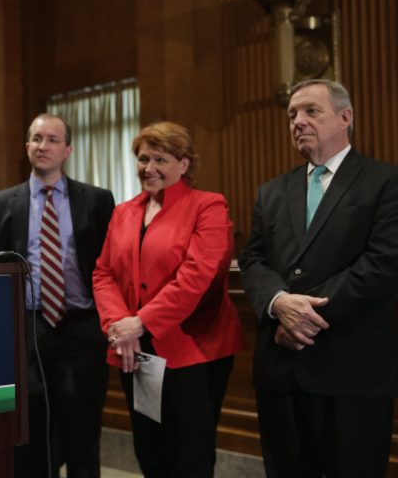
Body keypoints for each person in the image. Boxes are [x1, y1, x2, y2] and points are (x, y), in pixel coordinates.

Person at [239, 79, 398, 477]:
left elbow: (382, 262)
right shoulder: (272, 191)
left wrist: (304, 315)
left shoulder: (384, 182)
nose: (298, 121)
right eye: (292, 114)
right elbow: (253, 259)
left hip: (350, 369)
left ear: (345, 117)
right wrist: (279, 304)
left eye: (312, 111)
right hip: (282, 369)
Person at [93, 121, 245, 477]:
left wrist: (140, 322)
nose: (149, 168)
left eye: (160, 159)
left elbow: (197, 278)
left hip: (193, 351)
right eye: (143, 159)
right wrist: (119, 327)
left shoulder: (208, 206)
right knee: (150, 452)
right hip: (133, 349)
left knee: (189, 458)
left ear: (184, 164)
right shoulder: (123, 212)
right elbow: (104, 273)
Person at [0, 114, 115, 478]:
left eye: (53, 140)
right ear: (27, 147)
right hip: (27, 330)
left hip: (83, 328)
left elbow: (112, 266)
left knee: (83, 432)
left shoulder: (98, 201)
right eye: (37, 139)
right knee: (32, 434)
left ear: (67, 149)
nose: (43, 146)